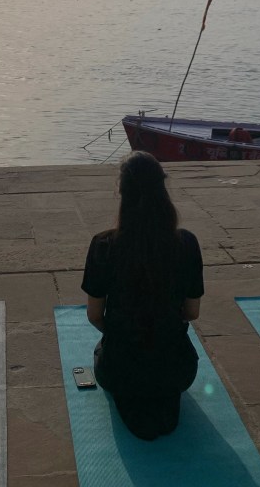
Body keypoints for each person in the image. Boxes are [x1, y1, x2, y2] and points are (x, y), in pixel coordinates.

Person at [82, 151, 204, 439]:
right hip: (179, 370)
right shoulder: (186, 243)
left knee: (107, 354)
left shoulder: (104, 245)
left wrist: (121, 330)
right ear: (163, 192)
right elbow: (192, 312)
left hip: (119, 369)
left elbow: (95, 315)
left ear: (122, 194)